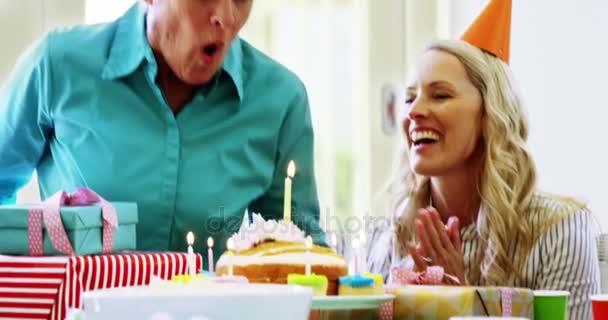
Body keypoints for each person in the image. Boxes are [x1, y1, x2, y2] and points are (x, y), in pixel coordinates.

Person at [0, 0, 324, 262]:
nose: (226, 17)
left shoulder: (279, 99)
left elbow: (301, 255)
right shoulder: (57, 65)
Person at [367, 0, 600, 318]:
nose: (414, 112)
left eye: (440, 95)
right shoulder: (388, 238)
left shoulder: (558, 230)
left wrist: (463, 305)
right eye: (410, 97)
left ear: (491, 115)